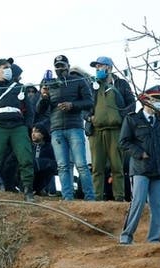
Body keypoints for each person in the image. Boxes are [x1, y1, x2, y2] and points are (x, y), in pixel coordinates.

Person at [38, 55, 95, 201]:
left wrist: (72, 105)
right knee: (63, 166)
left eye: (62, 65)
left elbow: (90, 101)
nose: (60, 68)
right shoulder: (49, 84)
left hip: (75, 126)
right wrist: (44, 97)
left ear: (68, 66)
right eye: (57, 66)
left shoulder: (79, 81)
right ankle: (67, 199)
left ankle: (90, 198)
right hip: (56, 129)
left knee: (81, 164)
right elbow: (40, 110)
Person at [0, 57, 35, 202]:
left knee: (25, 158)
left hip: (18, 127)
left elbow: (29, 110)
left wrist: (27, 127)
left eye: (9, 67)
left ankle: (28, 190)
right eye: (4, 67)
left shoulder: (19, 87)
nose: (7, 70)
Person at [117, 87, 160, 245]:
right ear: (145, 101)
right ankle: (126, 236)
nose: (158, 103)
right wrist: (140, 153)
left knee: (159, 205)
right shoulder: (132, 119)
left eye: (159, 100)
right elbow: (124, 141)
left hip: (158, 170)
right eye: (154, 100)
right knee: (138, 202)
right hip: (140, 167)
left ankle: (154, 239)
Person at [87, 56, 132, 202]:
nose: (97, 69)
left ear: (109, 67)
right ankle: (97, 198)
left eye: (100, 66)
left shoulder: (121, 84)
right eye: (96, 67)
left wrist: (120, 116)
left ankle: (119, 197)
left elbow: (132, 104)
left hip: (116, 130)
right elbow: (85, 105)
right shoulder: (92, 85)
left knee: (117, 166)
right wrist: (89, 118)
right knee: (97, 167)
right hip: (96, 131)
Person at [30, 123, 58, 196]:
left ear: (43, 134)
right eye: (32, 132)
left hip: (42, 177)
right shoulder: (29, 146)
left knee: (48, 165)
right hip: (29, 176)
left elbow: (53, 164)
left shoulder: (49, 147)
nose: (33, 134)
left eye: (36, 132)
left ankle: (48, 190)